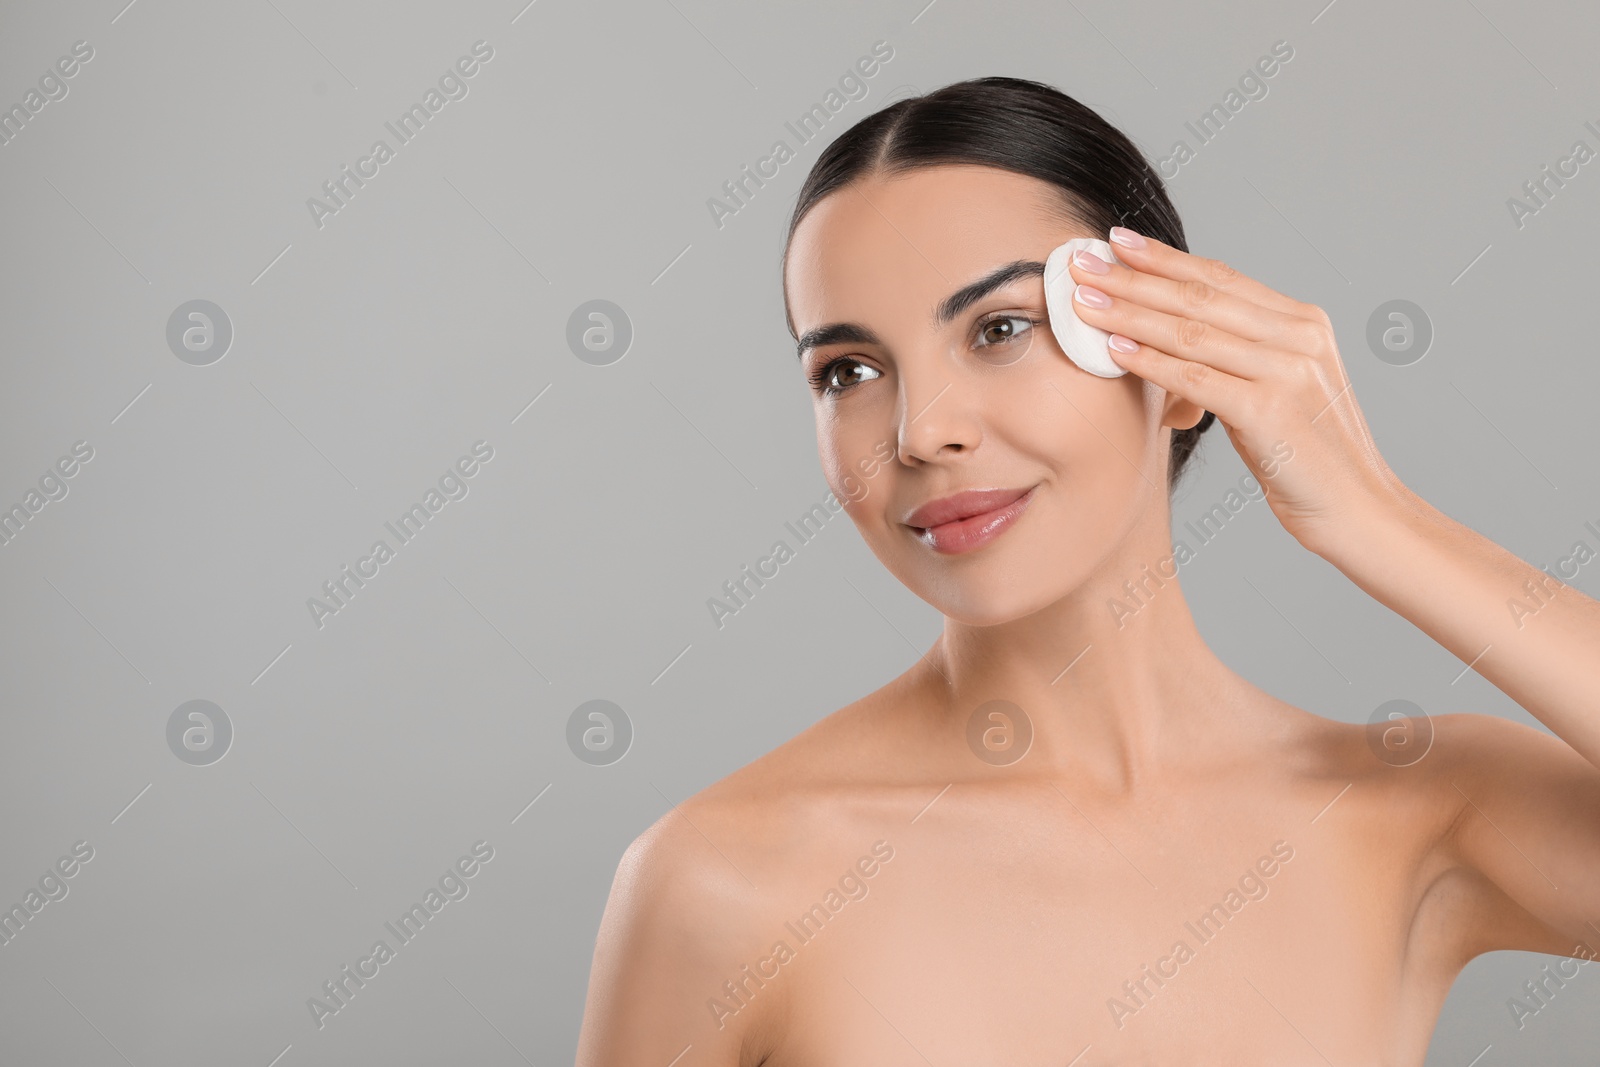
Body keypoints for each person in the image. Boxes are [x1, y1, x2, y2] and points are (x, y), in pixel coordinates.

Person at [575, 76, 1600, 1065]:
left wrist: (1378, 520)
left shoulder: (1414, 813)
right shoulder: (721, 879)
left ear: (1175, 362)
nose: (921, 430)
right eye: (847, 370)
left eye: (1001, 327)